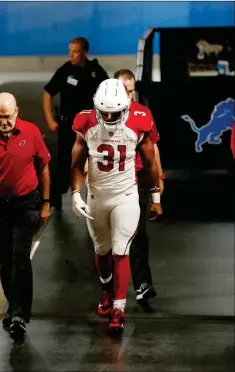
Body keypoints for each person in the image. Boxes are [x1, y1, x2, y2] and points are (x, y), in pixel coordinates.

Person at [70, 79, 162, 331]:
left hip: (125, 194)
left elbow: (151, 162)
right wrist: (76, 194)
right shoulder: (85, 122)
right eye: (105, 111)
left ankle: (119, 309)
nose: (109, 117)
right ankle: (107, 290)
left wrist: (155, 196)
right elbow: (76, 162)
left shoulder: (139, 120)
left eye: (115, 112)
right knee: (102, 250)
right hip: (97, 195)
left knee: (120, 250)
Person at [0, 92, 51, 338]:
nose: (3, 121)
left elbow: (43, 165)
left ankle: (18, 313)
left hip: (27, 203)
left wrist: (46, 203)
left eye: (7, 116)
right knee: (5, 258)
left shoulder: (31, 132)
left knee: (20, 255)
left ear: (17, 112)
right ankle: (14, 306)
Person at [114, 69, 165, 305]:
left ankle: (143, 284)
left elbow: (153, 149)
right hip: (111, 185)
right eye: (124, 90)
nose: (128, 95)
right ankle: (111, 289)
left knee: (138, 234)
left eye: (131, 90)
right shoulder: (103, 113)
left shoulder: (143, 113)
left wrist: (159, 178)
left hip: (138, 182)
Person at [43, 37, 108, 210]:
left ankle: (97, 197)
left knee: (95, 161)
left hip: (91, 128)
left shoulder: (95, 71)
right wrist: (50, 119)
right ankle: (56, 198)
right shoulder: (65, 71)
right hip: (68, 127)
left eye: (75, 51)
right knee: (65, 161)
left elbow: (108, 92)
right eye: (70, 51)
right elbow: (48, 93)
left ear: (84, 52)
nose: (71, 55)